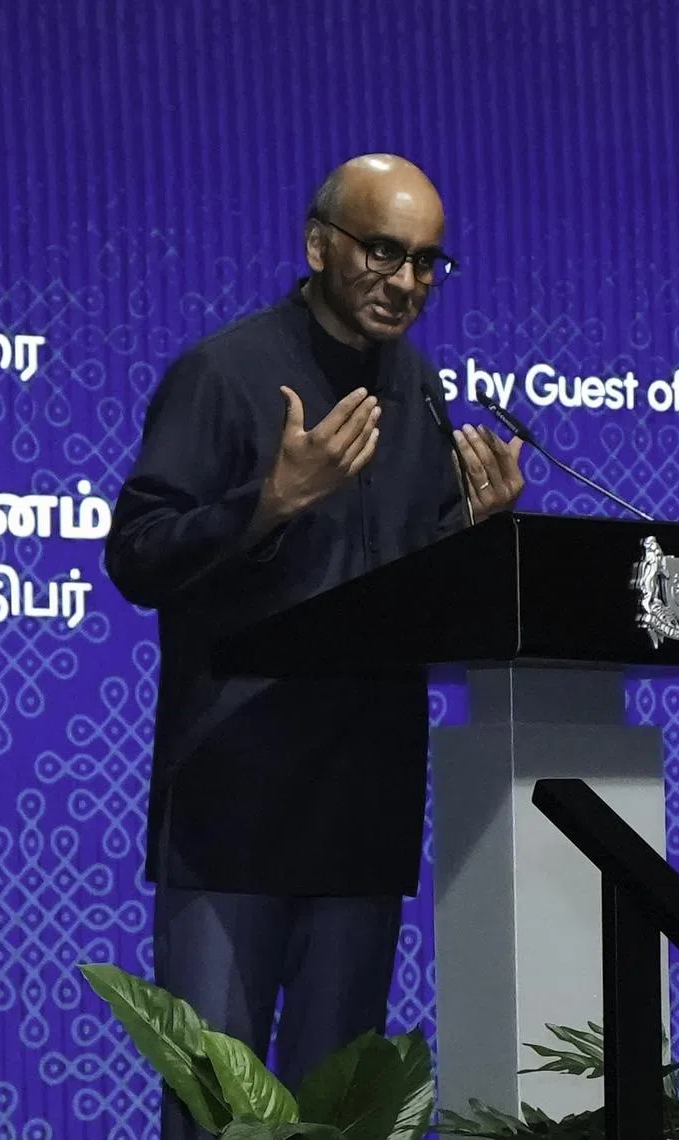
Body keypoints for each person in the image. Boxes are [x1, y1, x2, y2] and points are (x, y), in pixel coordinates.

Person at [105, 153, 524, 1139]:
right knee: (219, 1118)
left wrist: (470, 531)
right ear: (317, 245)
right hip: (233, 815)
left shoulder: (419, 390)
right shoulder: (226, 373)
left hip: (363, 814)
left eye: (426, 262)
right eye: (383, 251)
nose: (406, 281)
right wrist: (268, 504)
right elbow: (137, 554)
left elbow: (397, 589)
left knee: (339, 1123)